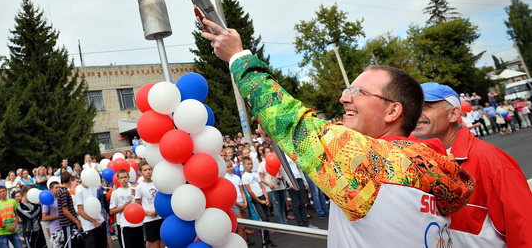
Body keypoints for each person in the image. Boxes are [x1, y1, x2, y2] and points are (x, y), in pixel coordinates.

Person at [201, 18, 474, 247]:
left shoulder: (373, 161)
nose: (345, 99)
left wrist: (238, 57)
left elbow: (288, 119)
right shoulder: (422, 158)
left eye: (359, 92)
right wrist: (284, 142)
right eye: (348, 90)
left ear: (393, 112)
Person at [414, 82, 532, 246]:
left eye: (425, 106)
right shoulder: (416, 160)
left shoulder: (493, 161)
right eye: (413, 107)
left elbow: (525, 229)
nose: (415, 113)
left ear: (453, 114)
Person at [241, 157, 275, 248]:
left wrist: (266, 198)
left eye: (251, 163)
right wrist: (260, 201)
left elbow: (262, 187)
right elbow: (250, 191)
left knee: (267, 219)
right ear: (244, 165)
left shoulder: (256, 174)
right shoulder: (244, 177)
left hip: (263, 197)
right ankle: (264, 242)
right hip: (256, 200)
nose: (250, 165)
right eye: (248, 164)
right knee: (263, 220)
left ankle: (268, 240)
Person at [110, 169, 144, 248]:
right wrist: (123, 207)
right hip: (126, 225)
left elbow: (142, 204)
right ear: (118, 179)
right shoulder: (115, 193)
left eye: (125, 177)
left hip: (138, 224)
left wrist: (136, 196)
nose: (124, 179)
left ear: (129, 177)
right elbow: (112, 211)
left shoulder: (135, 189)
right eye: (121, 178)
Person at [134, 161, 164, 248]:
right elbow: (137, 206)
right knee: (154, 244)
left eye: (149, 169)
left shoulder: (157, 183)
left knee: (163, 244)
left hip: (161, 217)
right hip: (149, 220)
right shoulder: (139, 187)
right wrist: (149, 213)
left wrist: (159, 211)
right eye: (145, 170)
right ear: (141, 172)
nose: (148, 171)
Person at [224, 160, 249, 243]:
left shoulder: (237, 177)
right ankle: (240, 243)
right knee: (240, 227)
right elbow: (228, 195)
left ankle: (245, 242)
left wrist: (245, 202)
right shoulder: (225, 179)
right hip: (234, 204)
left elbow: (242, 191)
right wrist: (239, 204)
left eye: (231, 166)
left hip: (242, 202)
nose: (230, 168)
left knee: (244, 226)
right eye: (227, 167)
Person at [57, 172, 82, 248]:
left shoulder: (62, 191)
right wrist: (76, 221)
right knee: (71, 244)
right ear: (69, 180)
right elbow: (65, 210)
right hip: (68, 223)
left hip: (69, 222)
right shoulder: (64, 192)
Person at [41, 180, 62, 248]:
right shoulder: (47, 200)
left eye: (59, 187)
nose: (58, 189)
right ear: (51, 189)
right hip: (55, 230)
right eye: (56, 188)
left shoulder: (61, 198)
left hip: (64, 227)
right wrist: (58, 215)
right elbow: (44, 218)